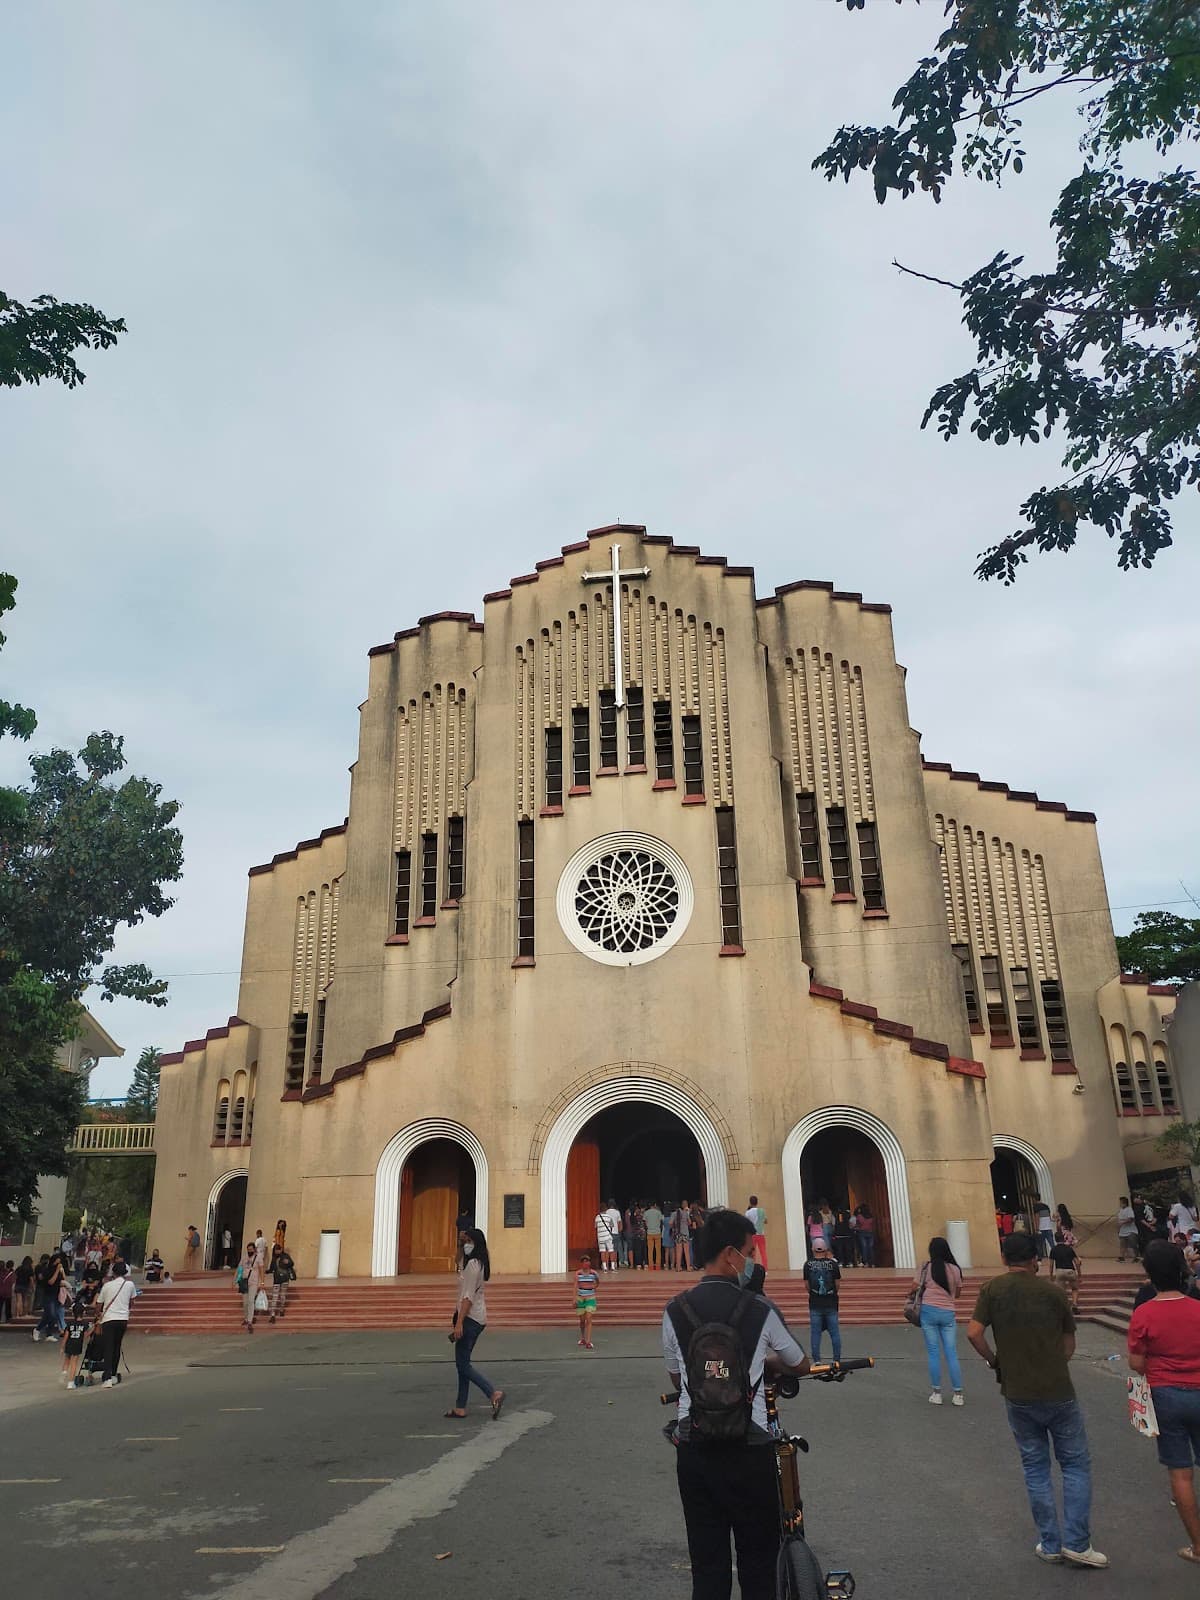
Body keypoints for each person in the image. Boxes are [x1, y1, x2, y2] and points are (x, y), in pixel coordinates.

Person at [664, 1207, 809, 1600]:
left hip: (694, 1447)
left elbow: (678, 1377)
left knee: (708, 1566)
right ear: (731, 1254)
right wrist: (766, 1361)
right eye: (748, 1251)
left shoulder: (675, 1310)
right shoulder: (758, 1309)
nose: (752, 1260)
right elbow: (800, 1362)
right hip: (750, 1447)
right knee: (758, 1563)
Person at [966, 1231, 1107, 1568]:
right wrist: (1054, 1364)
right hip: (1058, 1390)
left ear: (1004, 1258)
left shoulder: (992, 1290)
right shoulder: (1053, 1293)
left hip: (1017, 1392)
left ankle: (1050, 1542)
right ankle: (1078, 1542)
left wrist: (995, 1361)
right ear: (1035, 1260)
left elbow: (973, 1332)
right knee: (1074, 1465)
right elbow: (1069, 1344)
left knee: (1035, 1467)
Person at [1127, 1240, 1200, 1565]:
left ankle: (1198, 1546)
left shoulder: (1144, 1313)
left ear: (1149, 1273)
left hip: (1166, 1394)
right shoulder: (1198, 1308)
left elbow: (1136, 1363)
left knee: (1180, 1472)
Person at [445, 1227, 504, 1420]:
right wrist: (460, 1243)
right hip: (477, 1318)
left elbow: (467, 1297)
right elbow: (457, 1261)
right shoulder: (474, 1262)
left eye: (469, 1241)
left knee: (463, 1365)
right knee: (463, 1363)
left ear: (475, 1243)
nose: (466, 1244)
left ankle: (492, 1393)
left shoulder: (474, 1266)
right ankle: (460, 1406)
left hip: (470, 1318)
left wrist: (459, 1323)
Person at [917, 1236, 963, 1406]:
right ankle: (958, 1394)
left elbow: (915, 1286)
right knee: (951, 1353)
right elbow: (957, 1293)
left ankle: (937, 1392)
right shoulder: (955, 1269)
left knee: (933, 1353)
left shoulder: (926, 1267)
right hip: (948, 1312)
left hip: (928, 1310)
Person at [95, 1259, 136, 1386]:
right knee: (117, 1346)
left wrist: (98, 1314)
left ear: (113, 1272)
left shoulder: (107, 1286)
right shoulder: (129, 1285)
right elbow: (132, 1302)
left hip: (109, 1319)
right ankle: (113, 1374)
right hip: (123, 1319)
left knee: (108, 1347)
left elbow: (99, 1304)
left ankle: (107, 1378)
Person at [803, 1238, 842, 1362]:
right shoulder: (833, 1264)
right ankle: (836, 1359)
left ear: (813, 1249)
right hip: (831, 1303)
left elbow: (807, 1285)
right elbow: (837, 1284)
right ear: (825, 1249)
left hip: (815, 1303)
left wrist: (814, 1293)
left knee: (815, 1333)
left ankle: (817, 1360)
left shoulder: (807, 1265)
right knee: (834, 1332)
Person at [32, 1252, 67, 1342]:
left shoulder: (58, 1270)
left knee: (51, 1315)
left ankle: (49, 1334)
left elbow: (63, 1280)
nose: (58, 1264)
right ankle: (38, 1329)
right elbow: (51, 1282)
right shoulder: (47, 1270)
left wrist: (62, 1271)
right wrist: (56, 1271)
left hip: (56, 1295)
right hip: (48, 1295)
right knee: (50, 1314)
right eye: (57, 1262)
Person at [1048, 1231, 1083, 1314]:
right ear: (1064, 1238)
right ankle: (1074, 1304)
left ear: (1055, 1239)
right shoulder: (1069, 1249)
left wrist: (1051, 1275)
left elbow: (1051, 1264)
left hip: (1059, 1271)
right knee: (1074, 1289)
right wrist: (1079, 1274)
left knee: (1061, 1291)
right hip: (1070, 1271)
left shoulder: (1053, 1250)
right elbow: (1077, 1262)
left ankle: (1063, 1308)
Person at [61, 1294, 91, 1388]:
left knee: (67, 1359)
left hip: (69, 1343)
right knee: (74, 1363)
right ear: (84, 1313)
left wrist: (62, 1347)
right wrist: (92, 1329)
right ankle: (70, 1382)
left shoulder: (69, 1324)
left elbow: (66, 1336)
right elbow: (85, 1336)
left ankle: (64, 1373)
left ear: (73, 1313)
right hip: (77, 1344)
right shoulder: (85, 1324)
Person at [574, 1252, 598, 1348]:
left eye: (587, 1261)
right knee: (582, 1320)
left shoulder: (594, 1273)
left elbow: (598, 1282)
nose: (586, 1264)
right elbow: (575, 1286)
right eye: (584, 1262)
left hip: (590, 1298)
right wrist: (574, 1298)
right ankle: (583, 1338)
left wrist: (593, 1287)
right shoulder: (578, 1274)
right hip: (580, 1299)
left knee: (589, 1318)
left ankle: (588, 1341)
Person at [268, 1243, 296, 1322]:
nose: (277, 1251)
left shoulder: (285, 1256)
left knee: (282, 1296)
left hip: (284, 1279)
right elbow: (271, 1268)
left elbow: (291, 1263)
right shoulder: (274, 1258)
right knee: (275, 1297)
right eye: (276, 1250)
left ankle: (281, 1309)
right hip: (276, 1279)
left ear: (281, 1249)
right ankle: (272, 1314)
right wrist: (266, 1271)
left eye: (278, 1250)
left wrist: (288, 1262)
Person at [238, 1244, 262, 1333]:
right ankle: (246, 1318)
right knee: (245, 1303)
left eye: (251, 1249)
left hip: (253, 1282)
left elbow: (261, 1269)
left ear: (254, 1250)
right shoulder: (244, 1258)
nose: (249, 1251)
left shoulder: (258, 1258)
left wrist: (262, 1281)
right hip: (244, 1282)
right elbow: (239, 1268)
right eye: (248, 1249)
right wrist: (235, 1279)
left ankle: (250, 1321)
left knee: (251, 1301)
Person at [594, 1200, 620, 1272]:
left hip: (600, 1237)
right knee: (611, 1251)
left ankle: (605, 1267)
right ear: (606, 1209)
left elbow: (595, 1226)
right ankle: (612, 1267)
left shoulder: (597, 1217)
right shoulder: (609, 1217)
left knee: (603, 1252)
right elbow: (612, 1226)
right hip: (608, 1236)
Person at [744, 1196, 767, 1269]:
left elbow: (746, 1223)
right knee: (763, 1252)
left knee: (752, 1253)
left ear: (750, 1202)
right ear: (757, 1202)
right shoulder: (762, 1211)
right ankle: (765, 1269)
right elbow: (766, 1221)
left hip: (752, 1235)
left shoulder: (748, 1212)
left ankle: (751, 1268)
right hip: (761, 1234)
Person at [1117, 1195, 1139, 1262]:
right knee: (1122, 1244)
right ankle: (1122, 1257)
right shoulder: (1120, 1210)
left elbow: (1131, 1219)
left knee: (1133, 1244)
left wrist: (1123, 1222)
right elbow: (1119, 1220)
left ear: (1124, 1203)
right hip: (1122, 1230)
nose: (1120, 1204)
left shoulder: (1129, 1209)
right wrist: (1118, 1229)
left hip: (1131, 1230)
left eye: (1121, 1202)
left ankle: (1136, 1256)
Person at [644, 1200, 664, 1271]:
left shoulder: (646, 1213)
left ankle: (651, 1266)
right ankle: (658, 1266)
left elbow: (645, 1223)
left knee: (650, 1250)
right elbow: (661, 1222)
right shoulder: (658, 1212)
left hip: (649, 1232)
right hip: (657, 1232)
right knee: (658, 1250)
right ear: (655, 1205)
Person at [675, 1199, 693, 1272]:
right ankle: (688, 1267)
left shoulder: (675, 1213)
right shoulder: (686, 1213)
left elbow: (671, 1223)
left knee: (679, 1251)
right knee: (686, 1251)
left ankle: (678, 1267)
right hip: (685, 1233)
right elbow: (689, 1222)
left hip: (678, 1233)